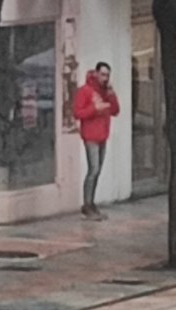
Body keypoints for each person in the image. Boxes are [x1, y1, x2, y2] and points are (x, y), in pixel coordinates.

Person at [73, 62, 120, 221]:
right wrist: (94, 109)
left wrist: (112, 94)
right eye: (102, 74)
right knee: (93, 169)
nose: (105, 78)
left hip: (102, 136)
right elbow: (77, 112)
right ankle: (87, 205)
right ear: (96, 73)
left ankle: (91, 203)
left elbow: (115, 111)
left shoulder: (105, 91)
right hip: (91, 136)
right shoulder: (85, 91)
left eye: (107, 75)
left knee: (97, 170)